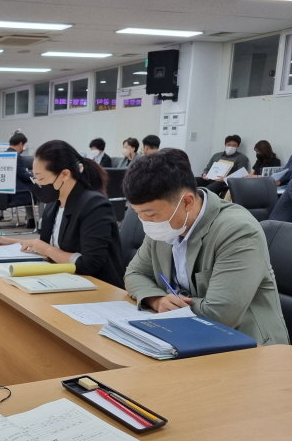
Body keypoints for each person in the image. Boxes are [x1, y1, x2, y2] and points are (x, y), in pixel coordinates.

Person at [123, 148, 288, 345]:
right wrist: (157, 299)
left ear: (187, 202)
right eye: (138, 213)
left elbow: (220, 313)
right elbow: (133, 274)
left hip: (244, 345)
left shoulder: (238, 231)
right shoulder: (165, 226)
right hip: (184, 333)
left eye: (150, 215)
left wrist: (175, 304)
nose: (145, 222)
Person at [0, 140, 124, 288]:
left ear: (65, 174)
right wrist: (7, 242)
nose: (38, 184)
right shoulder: (54, 204)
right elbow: (46, 247)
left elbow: (90, 264)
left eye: (41, 178)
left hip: (96, 285)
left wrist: (46, 249)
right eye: (35, 178)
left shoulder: (94, 205)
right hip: (63, 280)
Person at [6, 131, 36, 228]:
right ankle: (39, 220)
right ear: (20, 144)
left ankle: (31, 219)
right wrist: (34, 176)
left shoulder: (4, 154)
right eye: (24, 145)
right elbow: (23, 175)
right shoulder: (16, 157)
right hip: (17, 193)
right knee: (39, 188)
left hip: (7, 192)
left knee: (31, 187)